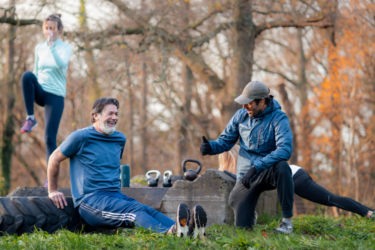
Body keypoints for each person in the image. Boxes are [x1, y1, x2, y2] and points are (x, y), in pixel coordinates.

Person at [47, 97, 207, 237]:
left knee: (147, 209)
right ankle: (169, 233)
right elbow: (54, 158)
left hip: (116, 196)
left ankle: (185, 229)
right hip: (91, 201)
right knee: (134, 212)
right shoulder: (80, 137)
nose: (114, 117)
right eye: (110, 113)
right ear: (95, 116)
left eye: (116, 114)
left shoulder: (119, 139)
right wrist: (53, 190)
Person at [200, 80, 294, 234]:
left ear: (262, 101)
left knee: (283, 166)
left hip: (268, 170)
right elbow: (225, 141)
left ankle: (287, 223)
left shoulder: (279, 118)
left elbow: (285, 150)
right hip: (246, 175)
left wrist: (256, 167)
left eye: (248, 103)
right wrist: (210, 147)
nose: (244, 107)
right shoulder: (241, 116)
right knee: (239, 215)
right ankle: (250, 218)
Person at [220, 145, 375, 220]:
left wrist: (223, 173)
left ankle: (367, 213)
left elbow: (238, 181)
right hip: (296, 173)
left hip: (295, 178)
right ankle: (370, 212)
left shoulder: (245, 167)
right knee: (330, 198)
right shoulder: (247, 163)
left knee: (329, 199)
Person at [20, 14, 73, 187]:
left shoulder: (65, 48)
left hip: (55, 96)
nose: (48, 31)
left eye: (52, 28)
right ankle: (30, 118)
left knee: (49, 138)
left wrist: (52, 46)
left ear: (59, 30)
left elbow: (60, 64)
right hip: (41, 91)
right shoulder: (39, 48)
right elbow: (36, 70)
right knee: (27, 75)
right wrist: (33, 86)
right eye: (46, 28)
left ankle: (50, 178)